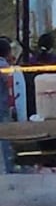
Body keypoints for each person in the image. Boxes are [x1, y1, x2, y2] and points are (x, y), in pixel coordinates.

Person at [0, 38, 14, 173]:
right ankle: (9, 166)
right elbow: (10, 83)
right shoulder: (4, 66)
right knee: (6, 137)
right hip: (2, 106)